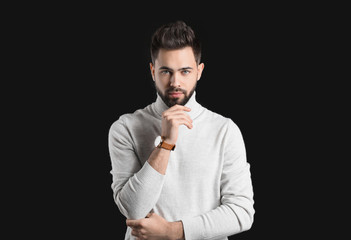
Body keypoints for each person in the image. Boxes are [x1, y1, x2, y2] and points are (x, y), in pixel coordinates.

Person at [108, 20, 254, 240]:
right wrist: (166, 143)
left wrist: (173, 232)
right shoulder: (125, 128)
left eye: (185, 71)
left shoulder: (224, 130)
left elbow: (242, 212)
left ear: (199, 71)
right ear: (152, 71)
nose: (175, 82)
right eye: (166, 71)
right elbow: (133, 209)